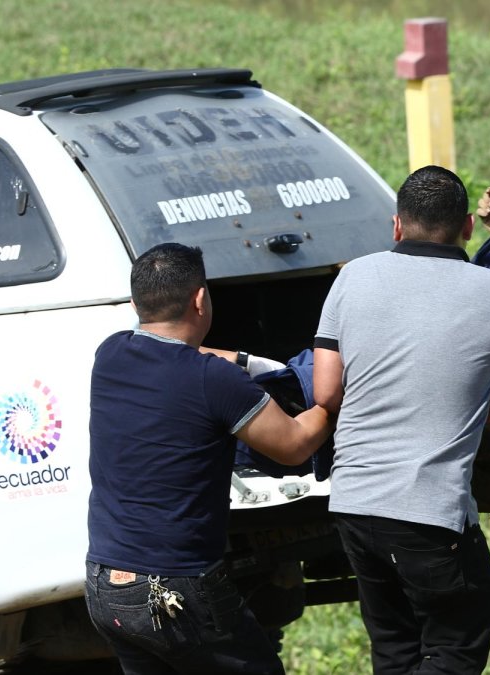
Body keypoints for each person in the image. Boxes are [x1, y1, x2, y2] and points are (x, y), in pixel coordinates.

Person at [311, 166, 490, 674]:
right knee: (458, 636)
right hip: (428, 510)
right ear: (468, 229)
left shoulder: (352, 277)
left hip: (354, 503)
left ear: (396, 226)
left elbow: (326, 391)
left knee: (395, 648)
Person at [85, 242, 334, 675]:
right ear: (201, 299)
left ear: (135, 303)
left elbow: (182, 356)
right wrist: (331, 399)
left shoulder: (111, 353)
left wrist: (242, 360)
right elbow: (293, 444)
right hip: (176, 588)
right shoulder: (213, 381)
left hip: (106, 583)